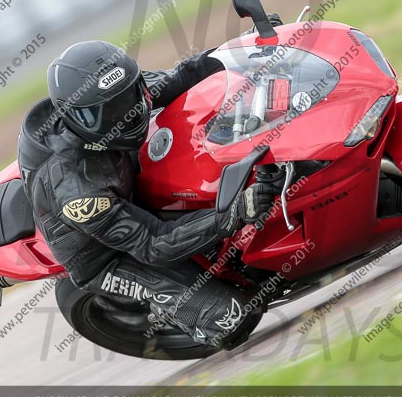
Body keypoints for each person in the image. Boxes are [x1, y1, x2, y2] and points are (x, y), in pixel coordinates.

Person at [17, 30, 281, 349]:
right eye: (110, 112)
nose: (126, 115)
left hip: (128, 182)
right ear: (79, 119)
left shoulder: (121, 96)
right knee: (234, 317)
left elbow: (186, 74)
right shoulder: (77, 191)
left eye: (129, 98)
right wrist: (236, 213)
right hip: (110, 256)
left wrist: (249, 48)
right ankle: (171, 310)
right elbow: (153, 243)